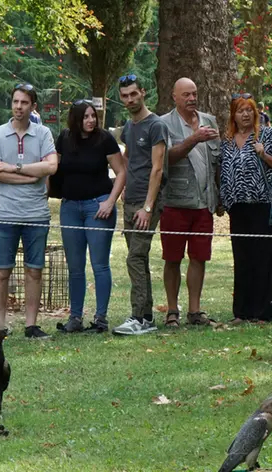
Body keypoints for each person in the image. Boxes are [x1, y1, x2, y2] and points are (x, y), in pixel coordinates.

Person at [0, 83, 58, 339]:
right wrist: (30, 173)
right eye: (15, 101)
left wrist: (13, 169)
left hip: (36, 214)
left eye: (24, 103)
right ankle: (1, 325)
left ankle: (31, 325)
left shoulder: (44, 133)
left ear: (32, 106)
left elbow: (51, 167)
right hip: (5, 213)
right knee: (1, 271)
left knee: (34, 270)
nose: (18, 107)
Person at [53, 100, 126, 333]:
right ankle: (75, 318)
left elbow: (121, 172)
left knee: (99, 264)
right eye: (85, 116)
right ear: (75, 118)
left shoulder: (104, 139)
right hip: (70, 208)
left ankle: (101, 318)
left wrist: (110, 201)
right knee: (75, 266)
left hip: (98, 206)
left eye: (93, 116)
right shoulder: (64, 138)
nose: (91, 120)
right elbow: (53, 167)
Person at [219, 93, 272, 325]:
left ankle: (263, 313)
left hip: (261, 206)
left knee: (262, 259)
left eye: (249, 110)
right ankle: (241, 312)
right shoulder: (228, 140)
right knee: (242, 259)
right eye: (241, 110)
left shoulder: (267, 135)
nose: (246, 114)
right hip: (237, 208)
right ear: (233, 115)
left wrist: (264, 155)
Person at [158, 78, 221, 328]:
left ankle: (195, 310)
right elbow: (165, 160)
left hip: (204, 203)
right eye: (186, 95)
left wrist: (219, 196)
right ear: (174, 97)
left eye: (194, 94)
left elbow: (216, 160)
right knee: (172, 258)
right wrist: (194, 139)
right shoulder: (164, 123)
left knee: (199, 257)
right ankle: (172, 310)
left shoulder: (209, 120)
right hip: (175, 202)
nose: (192, 98)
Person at [111, 75, 167, 336]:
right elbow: (128, 158)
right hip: (130, 200)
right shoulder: (128, 127)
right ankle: (146, 317)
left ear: (143, 92)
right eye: (125, 95)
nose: (130, 99)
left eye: (134, 94)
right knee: (139, 259)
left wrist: (147, 207)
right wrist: (121, 190)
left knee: (134, 257)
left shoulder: (156, 125)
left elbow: (157, 168)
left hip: (147, 203)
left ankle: (138, 317)